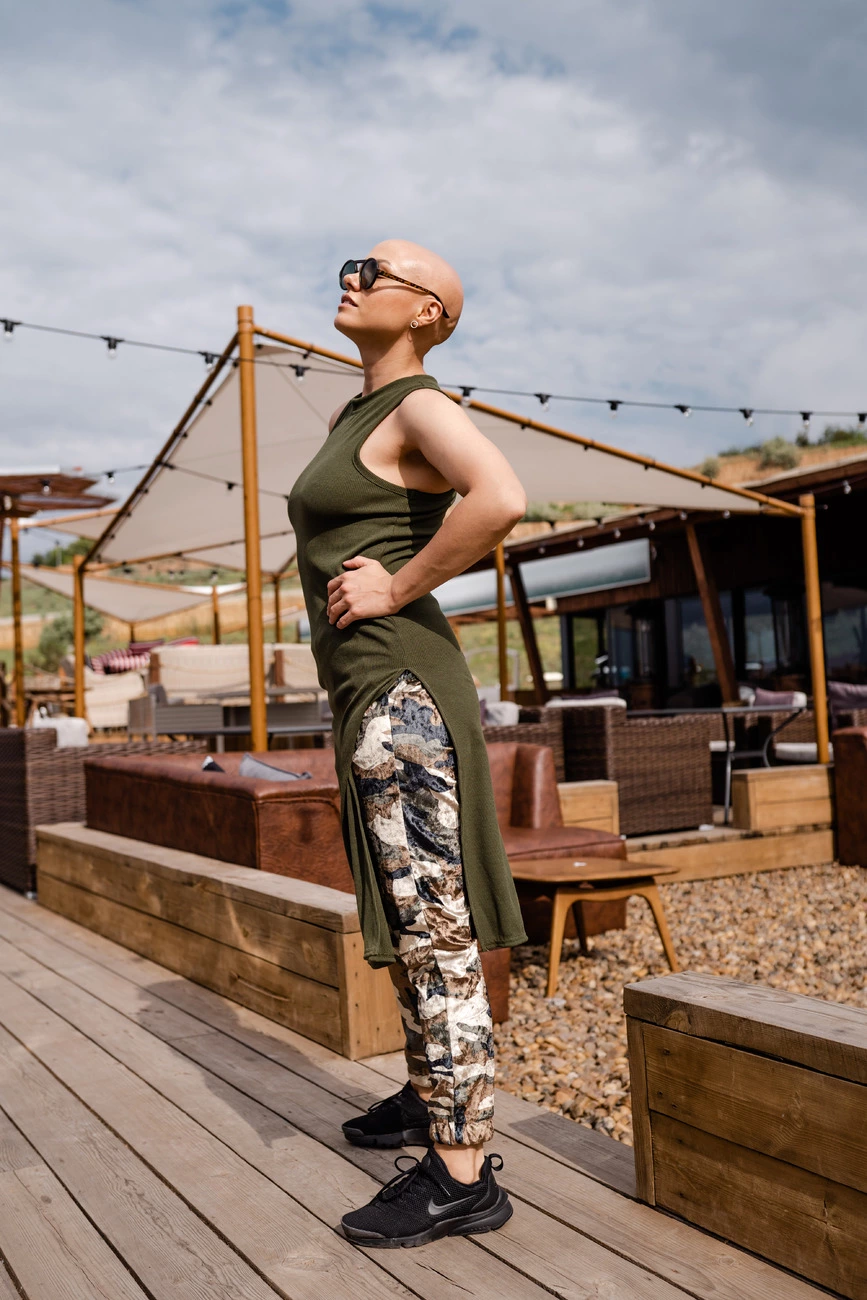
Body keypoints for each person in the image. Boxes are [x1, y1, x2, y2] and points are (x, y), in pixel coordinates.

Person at [287, 240, 528, 1249]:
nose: (348, 279)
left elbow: (501, 498)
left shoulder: (419, 403)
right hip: (369, 695)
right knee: (402, 905)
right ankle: (432, 1093)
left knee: (432, 927)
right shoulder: (356, 413)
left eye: (370, 270)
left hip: (403, 691)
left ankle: (462, 1172)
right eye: (348, 266)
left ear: (426, 311)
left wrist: (397, 584)